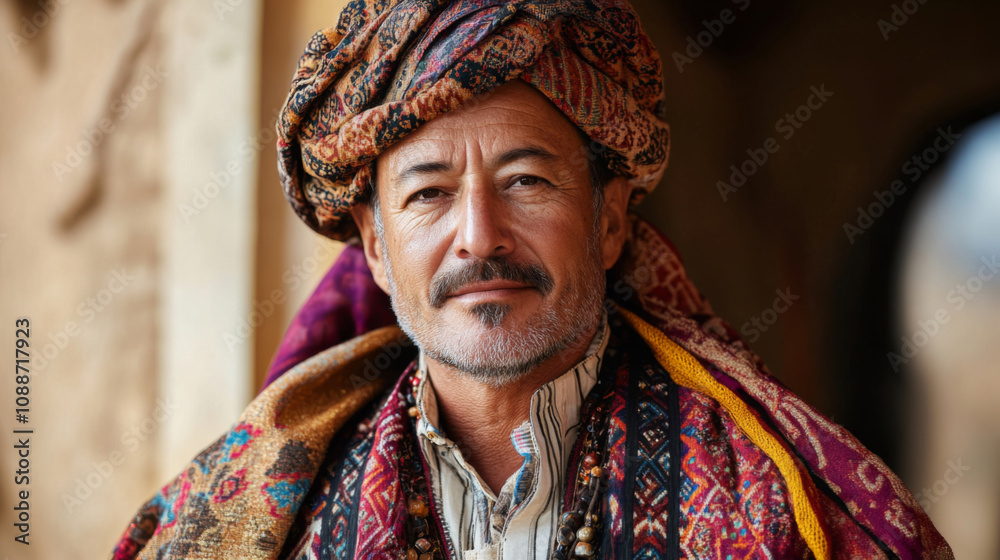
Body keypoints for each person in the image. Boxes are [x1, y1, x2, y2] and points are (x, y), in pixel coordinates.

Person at [112, 0, 952, 558]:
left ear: (611, 218)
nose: (479, 236)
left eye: (526, 181)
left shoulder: (768, 506)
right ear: (372, 244)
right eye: (429, 194)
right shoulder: (254, 515)